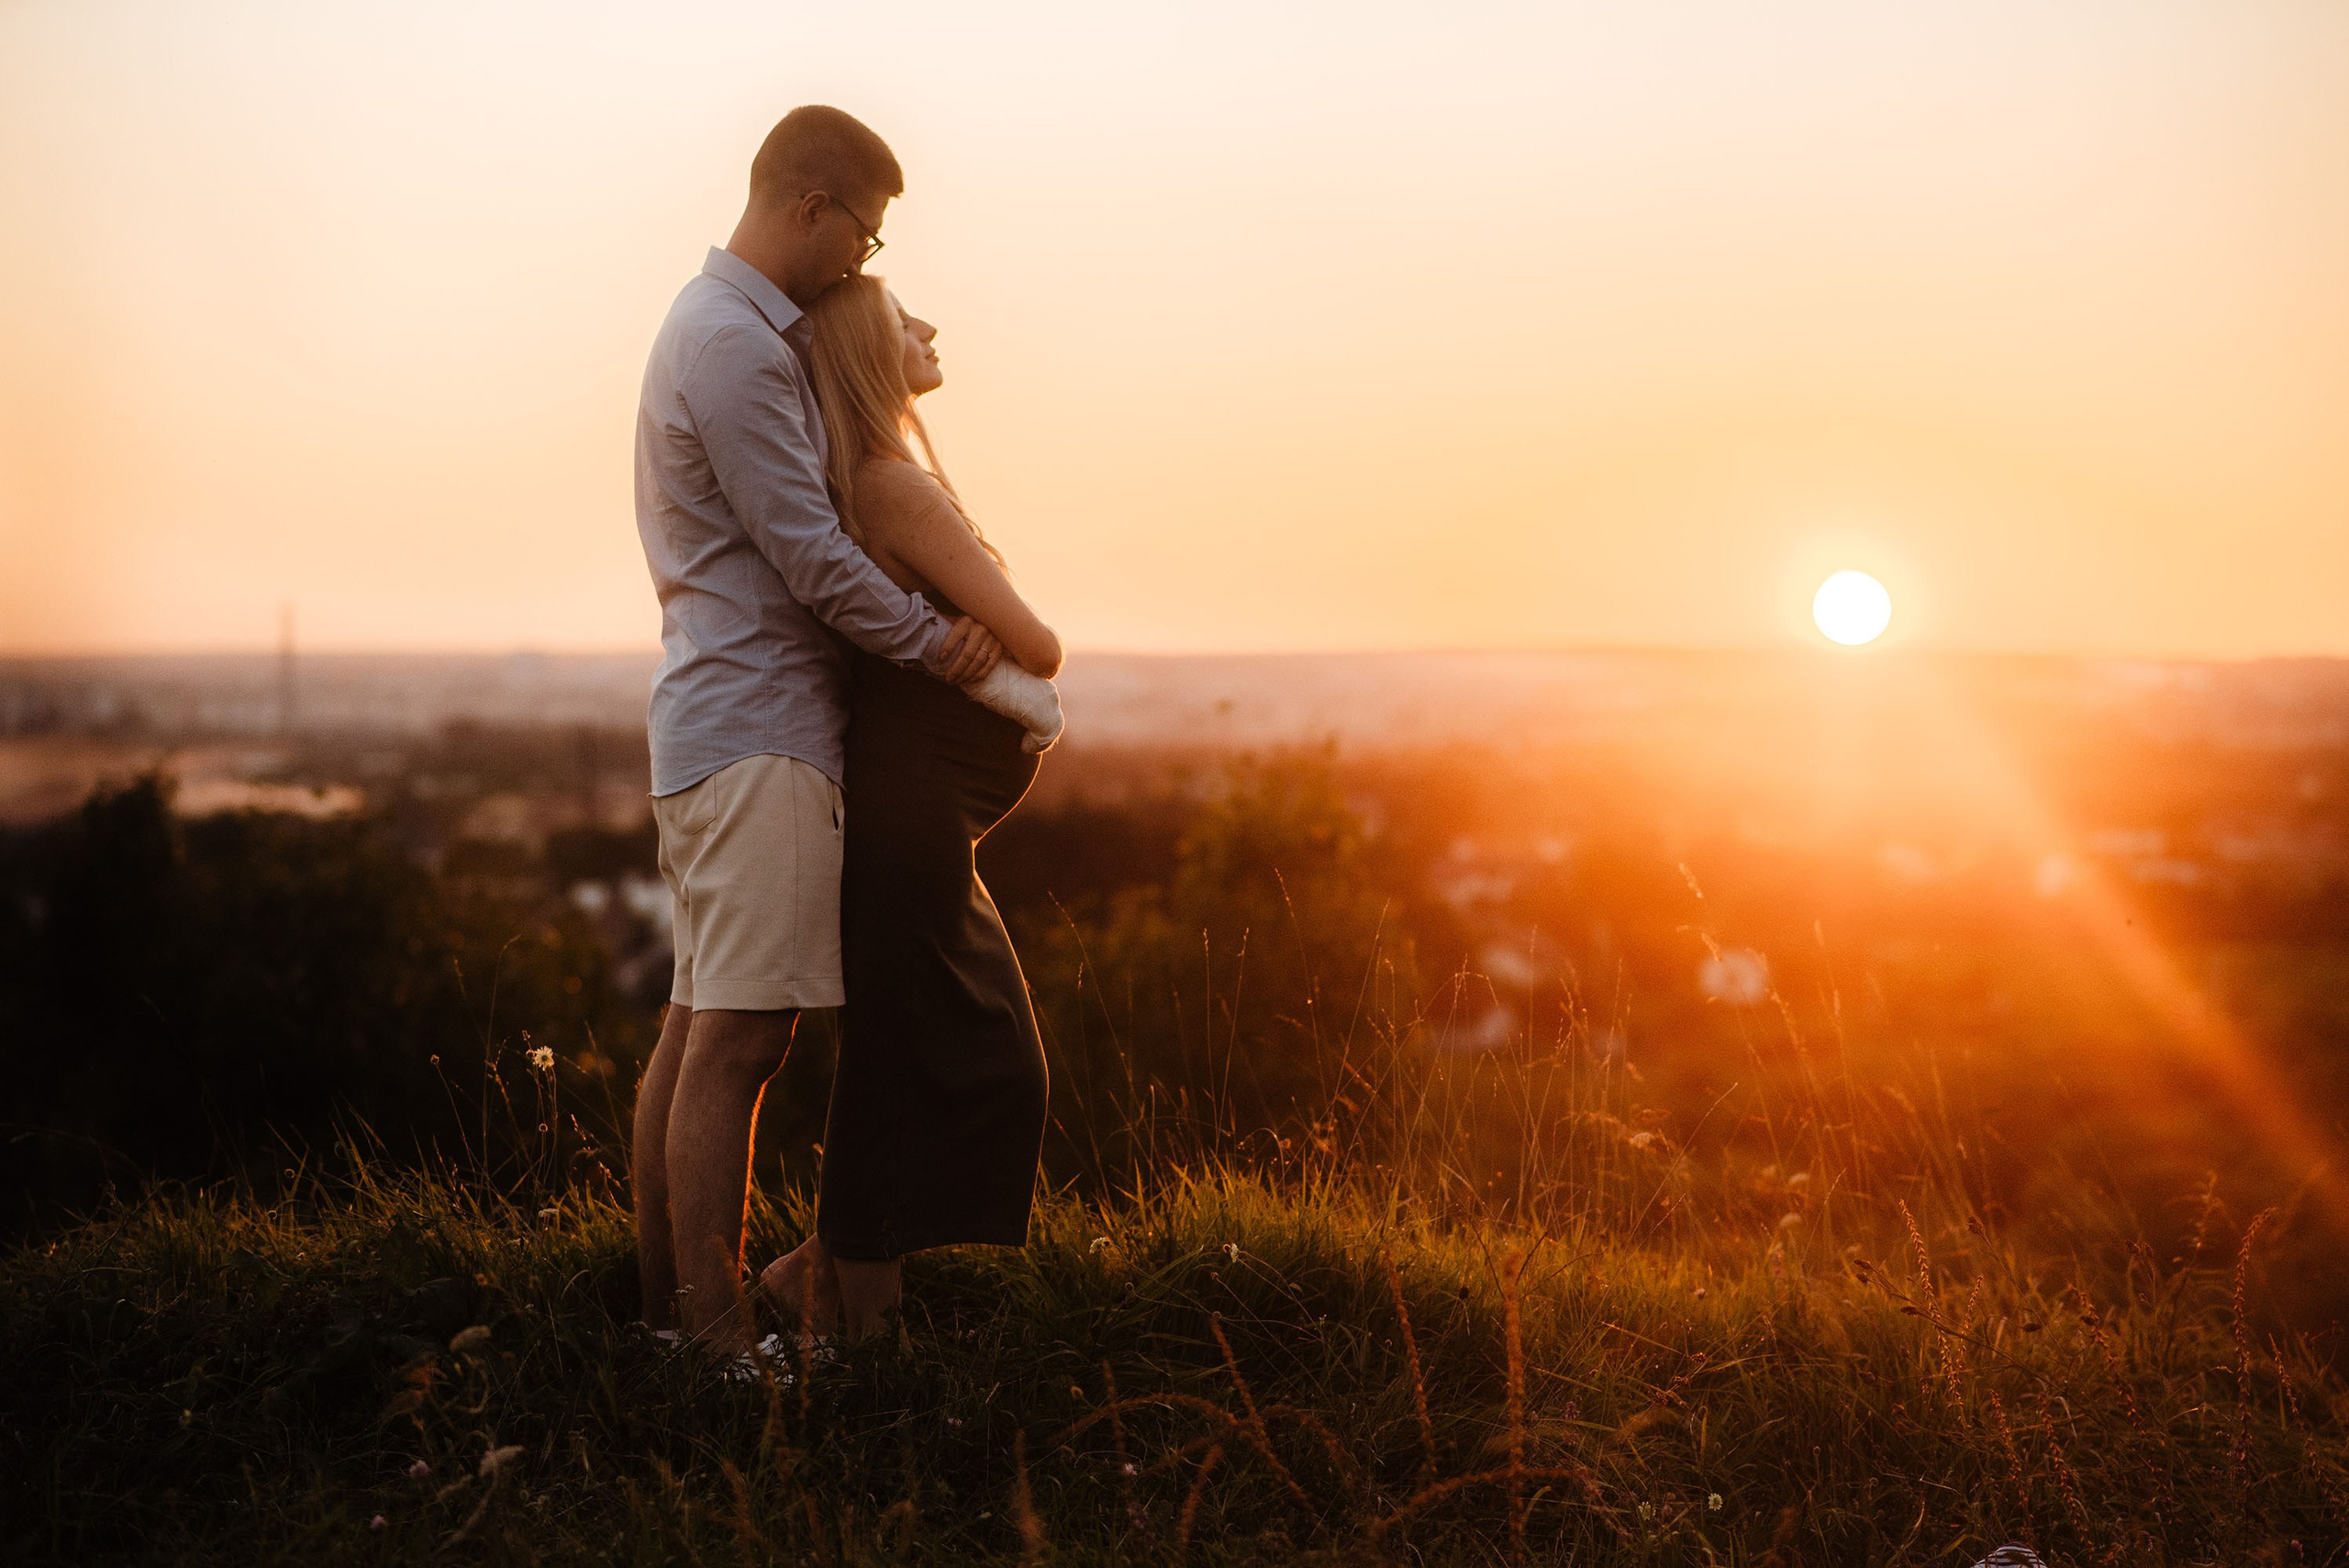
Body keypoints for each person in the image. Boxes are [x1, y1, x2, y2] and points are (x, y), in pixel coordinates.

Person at [628, 106, 1019, 1362]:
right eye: (863, 228)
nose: (866, 255)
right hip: (760, 736)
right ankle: (718, 1340)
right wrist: (933, 639)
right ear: (810, 208)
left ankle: (668, 1319)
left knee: (698, 1025)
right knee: (739, 1041)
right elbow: (811, 556)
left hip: (718, 726)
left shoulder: (729, 332)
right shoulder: (734, 346)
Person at [755, 274, 1063, 1340]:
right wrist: (976, 631)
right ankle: (868, 1347)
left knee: (920, 1050)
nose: (928, 328)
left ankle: (816, 1276)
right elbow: (1042, 646)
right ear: (865, 356)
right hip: (909, 821)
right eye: (903, 320)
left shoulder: (861, 486)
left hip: (909, 816)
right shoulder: (896, 489)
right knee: (937, 1058)